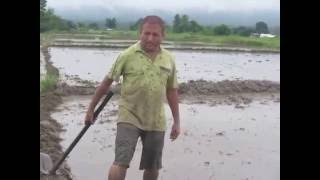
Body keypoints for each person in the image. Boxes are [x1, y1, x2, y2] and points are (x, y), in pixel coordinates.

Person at [84, 15, 180, 180]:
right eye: (146, 33)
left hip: (156, 120)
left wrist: (177, 122)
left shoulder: (169, 59)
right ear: (140, 33)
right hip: (129, 116)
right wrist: (91, 109)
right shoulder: (127, 55)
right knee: (121, 160)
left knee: (152, 165)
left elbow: (172, 91)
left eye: (155, 34)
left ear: (163, 36)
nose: (150, 38)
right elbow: (106, 83)